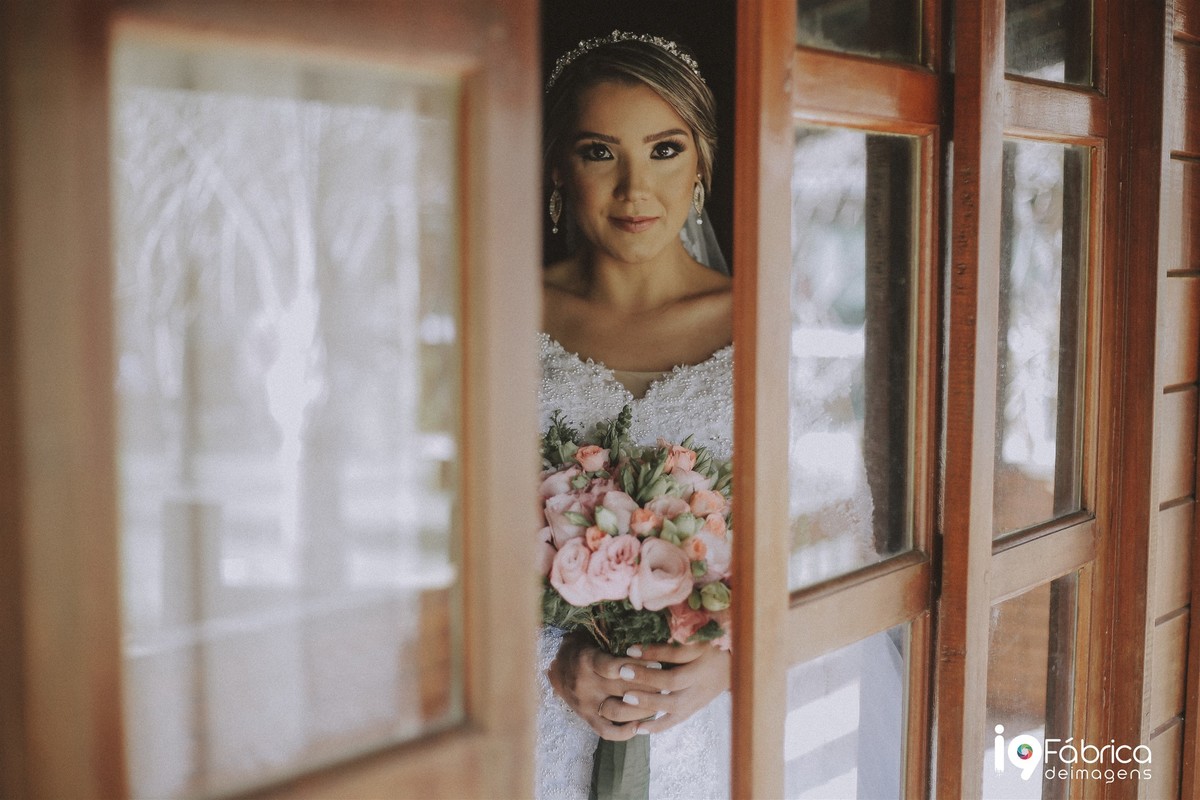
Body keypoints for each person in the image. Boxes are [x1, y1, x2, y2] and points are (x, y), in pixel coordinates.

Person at [536, 31, 734, 799]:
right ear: (558, 166)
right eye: (598, 152)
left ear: (702, 164)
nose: (633, 191)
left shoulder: (767, 320)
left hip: (710, 731)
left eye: (662, 150)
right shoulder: (496, 309)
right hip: (538, 721)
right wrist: (548, 658)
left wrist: (732, 659)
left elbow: (840, 535)